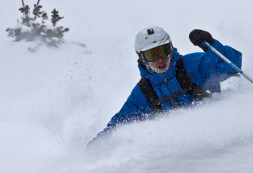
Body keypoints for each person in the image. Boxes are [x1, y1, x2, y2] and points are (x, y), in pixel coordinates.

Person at [91, 26, 242, 143]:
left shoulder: (193, 66)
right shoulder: (144, 91)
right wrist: (98, 146)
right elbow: (119, 124)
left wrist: (211, 45)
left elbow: (232, 66)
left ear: (170, 48)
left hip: (219, 136)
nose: (160, 59)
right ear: (142, 58)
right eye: (152, 55)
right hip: (184, 155)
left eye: (164, 51)